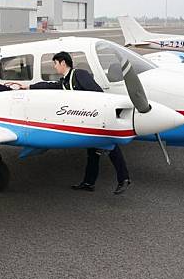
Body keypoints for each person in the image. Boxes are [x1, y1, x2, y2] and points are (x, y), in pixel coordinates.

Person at [29, 51, 131, 194]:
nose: (54, 67)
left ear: (63, 63)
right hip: (86, 122)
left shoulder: (79, 74)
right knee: (93, 153)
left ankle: (124, 179)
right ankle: (89, 183)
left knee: (110, 146)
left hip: (97, 119)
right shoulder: (64, 81)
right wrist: (30, 87)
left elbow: (97, 93)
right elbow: (50, 85)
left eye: (55, 63)